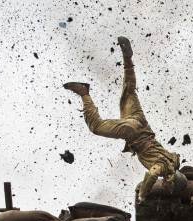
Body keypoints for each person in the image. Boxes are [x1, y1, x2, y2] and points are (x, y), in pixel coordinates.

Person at [63, 36, 185, 202]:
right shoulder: (165, 168)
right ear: (171, 180)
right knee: (96, 126)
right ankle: (84, 93)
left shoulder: (171, 159)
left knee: (129, 91)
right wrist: (143, 194)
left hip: (141, 123)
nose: (165, 187)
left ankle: (127, 58)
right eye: (168, 186)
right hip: (133, 132)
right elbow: (151, 174)